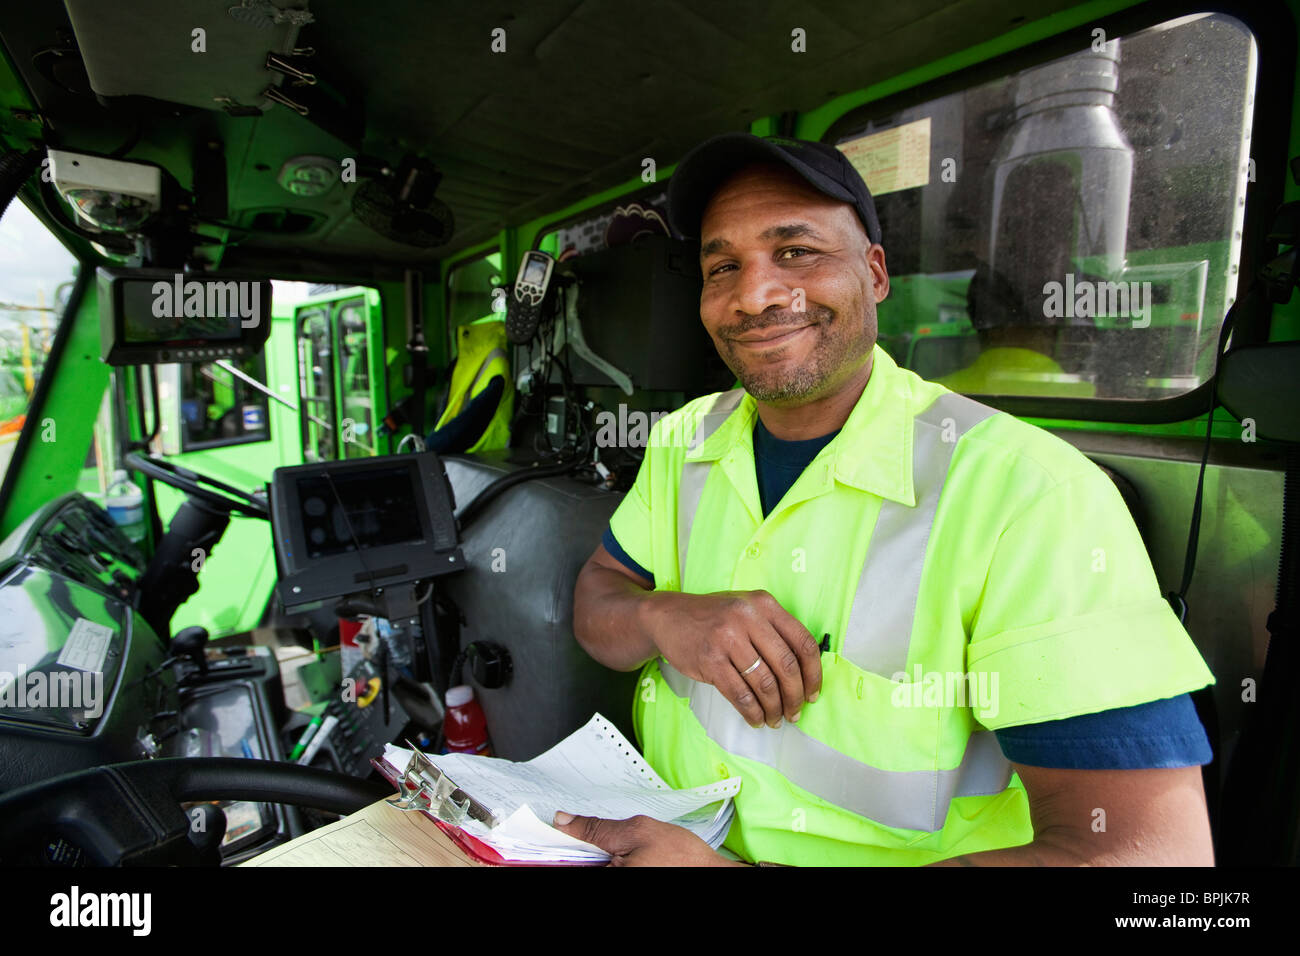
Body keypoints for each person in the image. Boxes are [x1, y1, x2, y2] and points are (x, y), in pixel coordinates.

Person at [555, 132, 1217, 866]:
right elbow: (597, 599)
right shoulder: (683, 441)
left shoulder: (1028, 495)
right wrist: (660, 614)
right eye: (723, 266)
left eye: (797, 251)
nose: (756, 294)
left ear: (874, 273)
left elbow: (1153, 863)